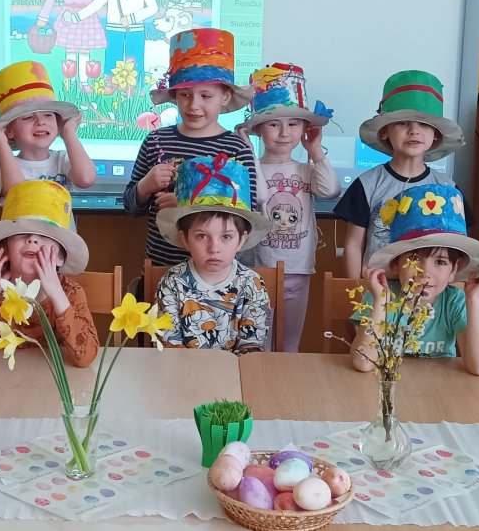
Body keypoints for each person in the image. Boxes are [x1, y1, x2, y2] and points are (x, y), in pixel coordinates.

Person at [123, 28, 256, 268]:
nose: (194, 105)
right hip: (162, 267)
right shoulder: (156, 141)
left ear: (225, 97)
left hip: (216, 273)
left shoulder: (237, 148)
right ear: (175, 96)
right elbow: (130, 207)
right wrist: (146, 185)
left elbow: (246, 216)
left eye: (206, 96)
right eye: (185, 95)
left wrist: (186, 206)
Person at [237, 63, 340, 352]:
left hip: (298, 268)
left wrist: (315, 151)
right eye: (273, 124)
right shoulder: (249, 169)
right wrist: (248, 153)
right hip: (258, 268)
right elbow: (259, 196)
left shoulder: (306, 169)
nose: (284, 133)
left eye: (294, 124)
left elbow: (330, 190)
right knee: (258, 344)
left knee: (289, 344)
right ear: (258, 129)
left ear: (305, 129)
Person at [350, 183, 479, 377]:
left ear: (454, 271)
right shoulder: (380, 296)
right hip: (386, 387)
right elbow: (363, 362)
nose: (425, 273)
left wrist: (474, 300)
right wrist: (380, 302)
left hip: (439, 389)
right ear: (396, 264)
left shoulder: (454, 301)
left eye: (440, 262)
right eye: (414, 259)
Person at [0, 180, 100, 368]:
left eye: (45, 236)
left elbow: (86, 357)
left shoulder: (71, 293)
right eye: (22, 234)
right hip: (3, 381)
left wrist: (56, 293)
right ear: (5, 249)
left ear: (60, 257)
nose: (32, 240)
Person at [336, 70, 464, 277]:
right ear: (385, 131)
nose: (414, 131)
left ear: (436, 134)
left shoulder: (447, 189)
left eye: (424, 124)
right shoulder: (367, 184)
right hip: (376, 289)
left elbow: (456, 248)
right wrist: (356, 286)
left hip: (428, 290)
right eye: (403, 123)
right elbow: (353, 244)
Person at [152, 153, 273, 354]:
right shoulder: (172, 283)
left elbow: (252, 347)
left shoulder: (252, 284)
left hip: (235, 372)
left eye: (226, 237)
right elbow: (169, 345)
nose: (214, 248)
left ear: (241, 240)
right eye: (202, 236)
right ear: (185, 239)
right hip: (183, 370)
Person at [0, 59, 97, 202]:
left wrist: (69, 134)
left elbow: (86, 179)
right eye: (28, 117)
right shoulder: (3, 165)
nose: (41, 121)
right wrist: (1, 145)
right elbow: (18, 195)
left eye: (48, 115)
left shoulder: (62, 159)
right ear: (9, 131)